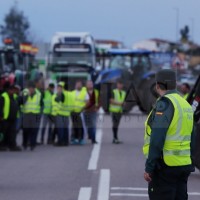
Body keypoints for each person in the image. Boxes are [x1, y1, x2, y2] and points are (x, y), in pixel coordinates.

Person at [143, 69, 195, 200]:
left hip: (165, 166)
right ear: (175, 83)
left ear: (157, 85)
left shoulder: (164, 104)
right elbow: (192, 136)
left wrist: (150, 166)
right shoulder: (185, 104)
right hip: (184, 165)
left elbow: (157, 138)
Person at [0, 83, 21, 151]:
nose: (13, 91)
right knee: (4, 133)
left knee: (13, 133)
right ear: (8, 90)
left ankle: (12, 145)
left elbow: (20, 101)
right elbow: (0, 107)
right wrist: (1, 116)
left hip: (13, 118)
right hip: (5, 118)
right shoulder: (3, 96)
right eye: (11, 90)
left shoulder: (15, 96)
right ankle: (2, 145)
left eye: (14, 90)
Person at [21, 81, 42, 151]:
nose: (31, 89)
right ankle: (24, 143)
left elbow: (41, 103)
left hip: (36, 114)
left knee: (34, 130)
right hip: (27, 113)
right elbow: (22, 101)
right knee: (26, 130)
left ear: (34, 88)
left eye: (32, 88)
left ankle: (33, 144)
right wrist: (28, 95)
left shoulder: (39, 93)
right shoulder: (25, 92)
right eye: (29, 88)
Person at [71, 80, 89, 145]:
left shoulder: (84, 93)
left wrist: (83, 108)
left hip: (81, 112)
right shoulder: (72, 93)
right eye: (77, 84)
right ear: (75, 85)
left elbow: (87, 102)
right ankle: (74, 138)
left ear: (81, 85)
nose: (78, 85)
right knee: (74, 126)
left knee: (81, 126)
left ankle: (81, 139)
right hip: (73, 112)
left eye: (80, 84)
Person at [54, 82, 72, 146]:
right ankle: (66, 142)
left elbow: (56, 100)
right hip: (67, 113)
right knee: (65, 129)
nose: (58, 89)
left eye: (59, 87)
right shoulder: (70, 94)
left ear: (62, 88)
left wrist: (58, 94)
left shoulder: (62, 94)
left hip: (60, 113)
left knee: (60, 129)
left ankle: (60, 142)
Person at [109, 80, 126, 144]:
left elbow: (124, 101)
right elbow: (111, 101)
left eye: (121, 84)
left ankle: (115, 138)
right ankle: (115, 138)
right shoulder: (113, 92)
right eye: (119, 84)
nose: (120, 85)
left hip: (119, 111)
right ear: (117, 85)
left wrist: (123, 104)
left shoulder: (124, 93)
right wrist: (121, 103)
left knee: (117, 125)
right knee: (115, 124)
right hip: (114, 111)